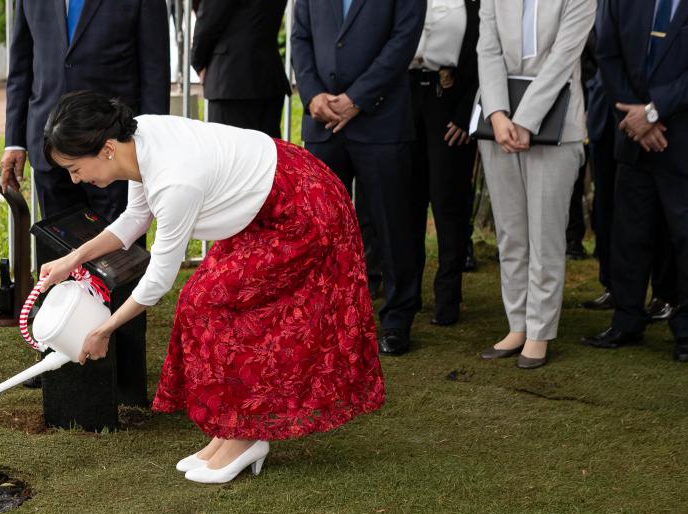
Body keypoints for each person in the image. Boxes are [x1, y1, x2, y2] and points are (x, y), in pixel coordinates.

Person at [38, 91, 385, 484]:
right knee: (203, 301)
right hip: (268, 201)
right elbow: (136, 217)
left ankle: (246, 437)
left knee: (207, 302)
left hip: (302, 209)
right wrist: (72, 259)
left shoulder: (174, 181)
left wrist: (105, 329)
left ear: (105, 149)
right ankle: (231, 429)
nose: (74, 179)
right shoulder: (135, 141)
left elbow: (159, 280)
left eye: (74, 168)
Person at [2, 0, 170, 399]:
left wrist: (149, 149)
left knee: (121, 259)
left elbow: (155, 70)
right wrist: (15, 140)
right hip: (48, 145)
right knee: (57, 254)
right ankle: (57, 362)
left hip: (113, 150)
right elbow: (21, 66)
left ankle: (123, 373)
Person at [291, 0, 426, 356]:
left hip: (381, 121)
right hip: (322, 121)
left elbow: (402, 41)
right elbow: (300, 38)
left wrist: (357, 98)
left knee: (392, 225)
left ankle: (397, 319)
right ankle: (325, 316)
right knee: (320, 228)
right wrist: (312, 95)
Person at [476, 0, 595, 369]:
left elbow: (563, 58)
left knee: (545, 236)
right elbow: (488, 49)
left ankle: (539, 330)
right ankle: (517, 325)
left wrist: (526, 119)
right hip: (497, 126)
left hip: (556, 126)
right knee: (511, 233)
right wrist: (497, 114)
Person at [583, 0, 688, 363]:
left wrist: (654, 111)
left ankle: (685, 330)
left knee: (684, 235)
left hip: (681, 133)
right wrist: (636, 119)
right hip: (633, 134)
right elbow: (607, 55)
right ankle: (626, 319)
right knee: (629, 232)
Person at [408, 0, 480, 326]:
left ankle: (448, 297)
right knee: (406, 204)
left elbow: (486, 53)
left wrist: (467, 115)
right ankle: (407, 295)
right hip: (404, 99)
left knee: (449, 203)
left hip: (451, 101)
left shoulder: (474, 3)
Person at [191, 0, 290, 138]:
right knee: (265, 148)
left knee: (229, 147)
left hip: (231, 80)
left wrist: (198, 62)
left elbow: (208, 21)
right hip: (269, 75)